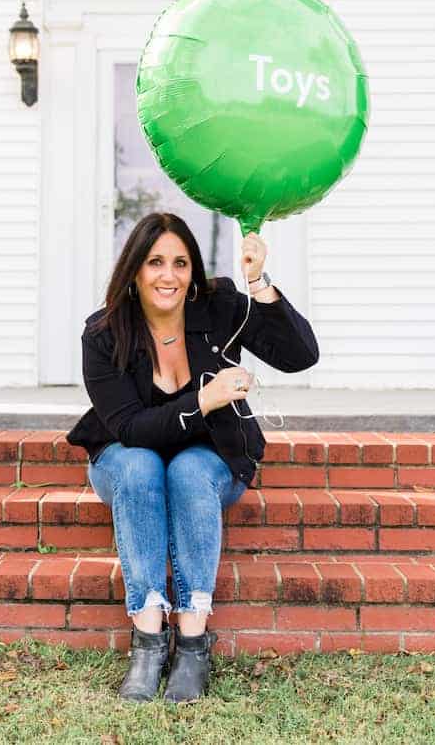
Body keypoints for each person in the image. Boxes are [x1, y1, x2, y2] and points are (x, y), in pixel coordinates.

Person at [66, 212, 318, 703]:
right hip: (124, 456)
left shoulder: (219, 305)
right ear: (135, 271)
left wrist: (257, 281)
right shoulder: (103, 334)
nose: (169, 275)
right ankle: (148, 640)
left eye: (180, 263)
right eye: (155, 262)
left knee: (185, 469)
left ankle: (195, 641)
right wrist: (204, 400)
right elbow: (133, 429)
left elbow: (299, 354)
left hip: (210, 457)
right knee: (143, 465)